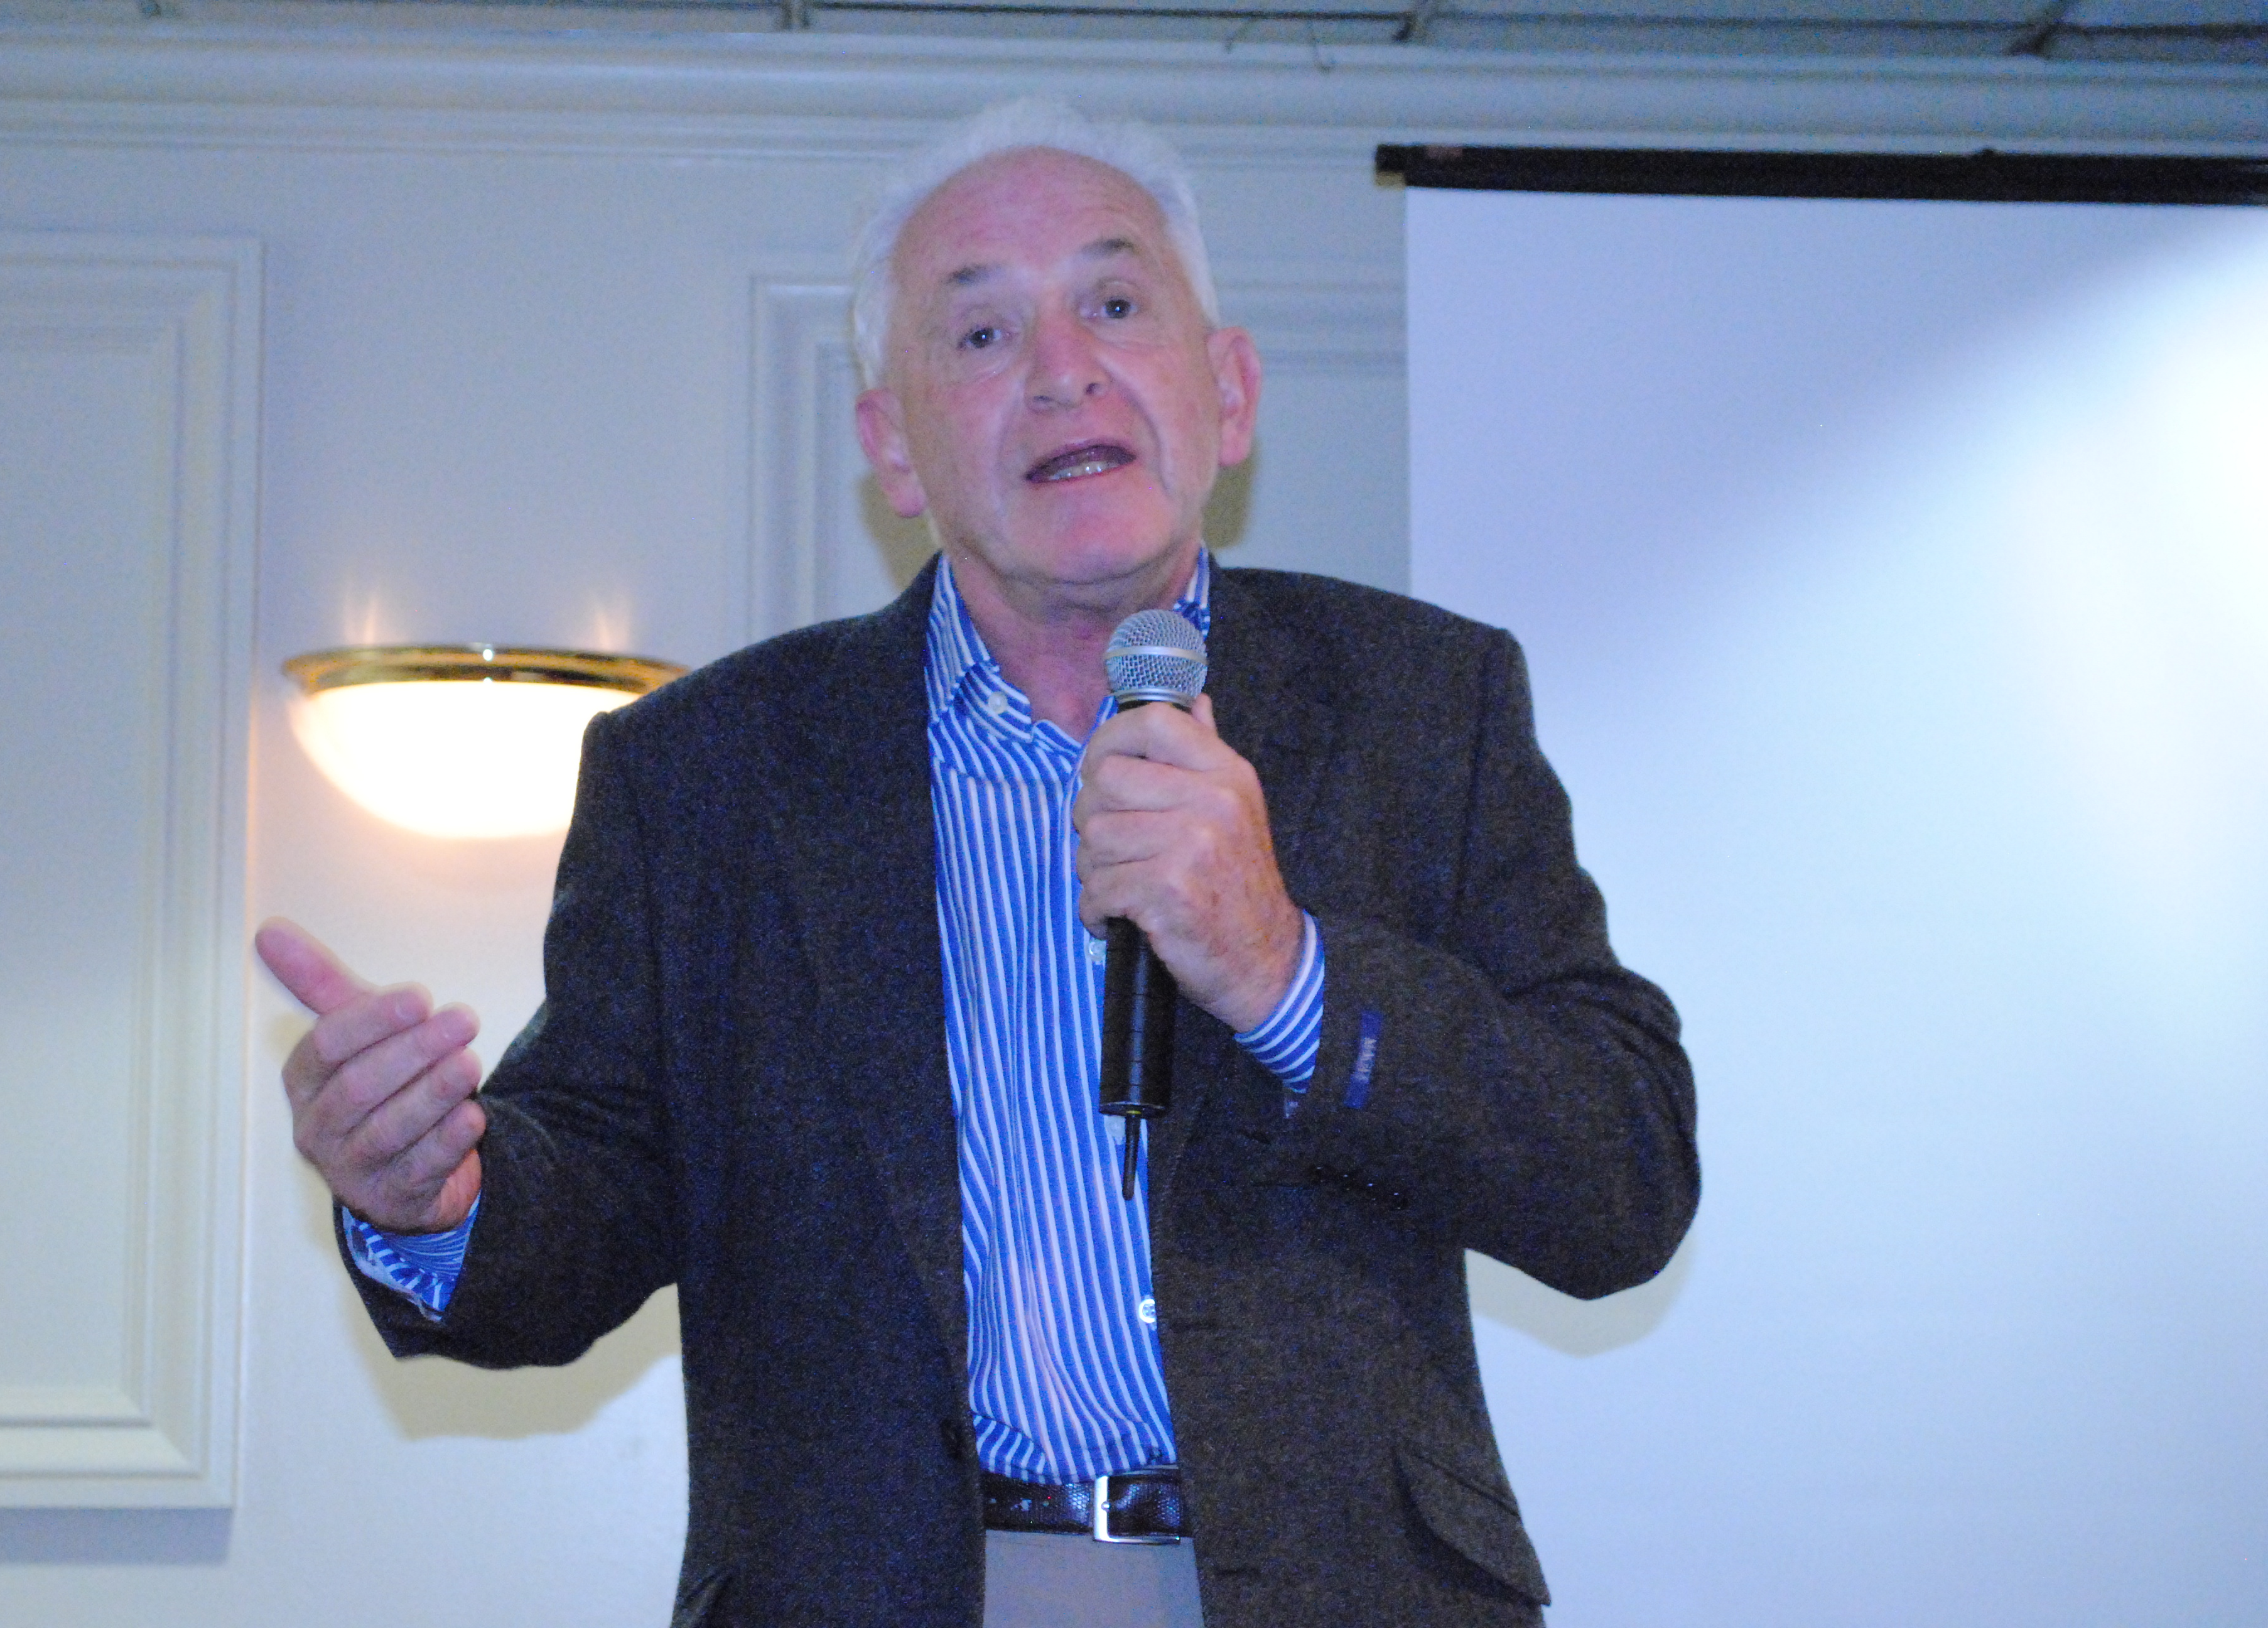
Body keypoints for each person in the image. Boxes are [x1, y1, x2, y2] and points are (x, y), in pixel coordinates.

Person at [259, 100, 1697, 1628]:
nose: (1064, 367)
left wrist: (1288, 974)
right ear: (892, 444)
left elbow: (1622, 1176)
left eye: (1117, 303)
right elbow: (597, 1188)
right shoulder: (710, 772)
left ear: (1230, 388)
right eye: (981, 335)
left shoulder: (1423, 704)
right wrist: (432, 1197)